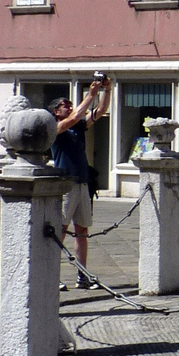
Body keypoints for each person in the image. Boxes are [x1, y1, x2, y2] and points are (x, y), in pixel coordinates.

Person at [50, 79, 110, 288]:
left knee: (82, 231)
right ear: (56, 112)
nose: (69, 106)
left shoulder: (78, 127)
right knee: (61, 230)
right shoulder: (56, 128)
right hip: (66, 185)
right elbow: (76, 115)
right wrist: (91, 94)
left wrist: (107, 90)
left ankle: (82, 275)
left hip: (83, 183)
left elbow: (100, 111)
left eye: (69, 103)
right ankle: (52, 274)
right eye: (64, 104)